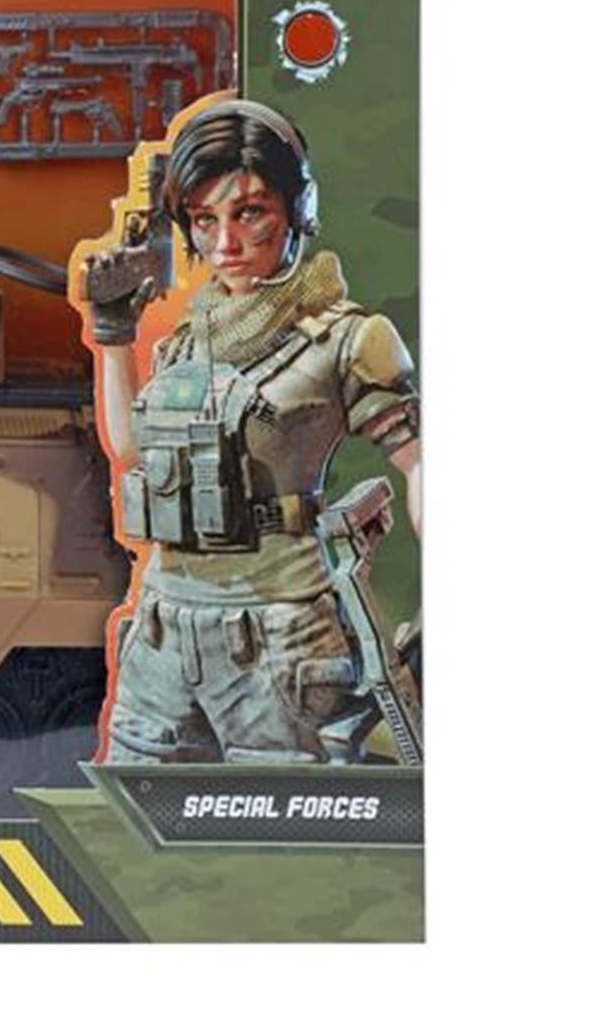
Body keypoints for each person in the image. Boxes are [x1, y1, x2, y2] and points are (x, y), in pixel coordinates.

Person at [83, 99, 419, 764]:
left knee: (280, 810)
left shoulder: (348, 341)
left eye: (250, 213)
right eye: (205, 219)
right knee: (135, 802)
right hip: (164, 627)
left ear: (298, 210)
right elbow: (132, 451)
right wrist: (114, 336)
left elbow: (419, 462)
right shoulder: (187, 343)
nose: (225, 244)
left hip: (279, 631)